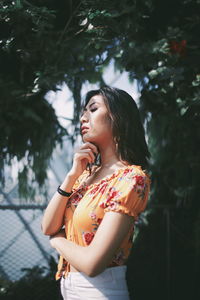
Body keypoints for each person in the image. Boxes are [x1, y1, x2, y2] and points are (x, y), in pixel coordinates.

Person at [41, 86, 151, 300]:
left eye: (92, 109)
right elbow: (48, 226)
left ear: (117, 117)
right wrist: (72, 176)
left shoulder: (131, 179)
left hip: (99, 292)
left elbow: (92, 264)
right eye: (83, 112)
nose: (83, 118)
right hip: (69, 290)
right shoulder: (85, 174)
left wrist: (57, 241)